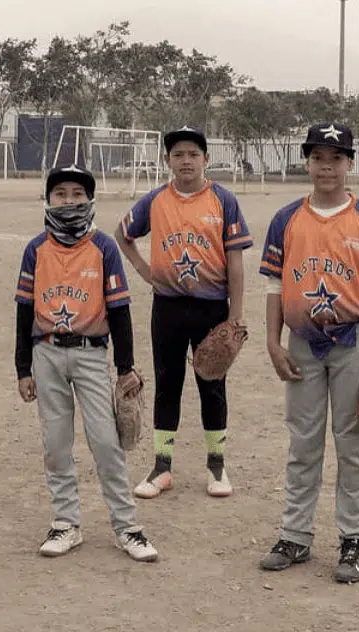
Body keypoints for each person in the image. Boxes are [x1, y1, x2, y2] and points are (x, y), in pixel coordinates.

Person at [257, 122, 359, 584]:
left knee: (353, 442)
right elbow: (275, 286)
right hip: (302, 342)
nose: (327, 165)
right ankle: (296, 535)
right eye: (318, 156)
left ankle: (357, 539)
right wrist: (272, 342)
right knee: (303, 443)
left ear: (350, 163)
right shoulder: (287, 219)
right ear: (307, 162)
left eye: (336, 157)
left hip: (352, 343)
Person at [15, 164, 159, 562]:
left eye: (78, 194)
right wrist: (22, 368)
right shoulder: (36, 248)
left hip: (91, 352)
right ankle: (66, 523)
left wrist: (126, 366)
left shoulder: (103, 248)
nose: (69, 200)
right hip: (45, 352)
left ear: (90, 199)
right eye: (60, 193)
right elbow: (24, 309)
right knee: (56, 444)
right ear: (48, 199)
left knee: (106, 442)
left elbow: (119, 309)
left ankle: (127, 527)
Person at [114, 126, 253, 499]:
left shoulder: (223, 200)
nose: (186, 160)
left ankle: (217, 466)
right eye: (178, 154)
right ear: (167, 161)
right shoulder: (155, 201)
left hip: (212, 308)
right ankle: (162, 467)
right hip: (168, 307)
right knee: (167, 383)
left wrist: (235, 317)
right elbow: (122, 233)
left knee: (212, 385)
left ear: (206, 159)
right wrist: (145, 271)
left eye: (193, 153)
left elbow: (236, 263)